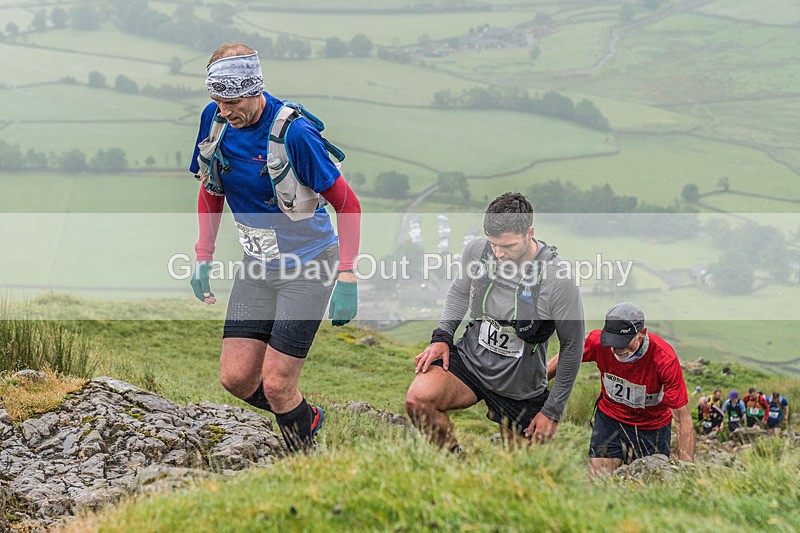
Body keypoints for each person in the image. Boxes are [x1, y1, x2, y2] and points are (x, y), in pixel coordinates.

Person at [188, 43, 361, 453]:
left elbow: (348, 205)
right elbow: (211, 188)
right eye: (218, 101)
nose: (225, 111)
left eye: (233, 102)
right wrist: (203, 255)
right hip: (258, 264)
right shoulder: (215, 120)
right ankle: (306, 416)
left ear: (255, 89)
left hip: (310, 266)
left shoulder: (295, 134)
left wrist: (348, 274)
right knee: (236, 378)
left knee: (278, 384)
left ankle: (306, 462)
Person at [405, 192, 585, 452]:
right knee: (417, 400)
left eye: (508, 246)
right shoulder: (478, 251)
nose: (499, 253)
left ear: (529, 233)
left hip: (520, 385)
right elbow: (459, 291)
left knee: (517, 470)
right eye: (493, 244)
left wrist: (552, 411)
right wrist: (442, 337)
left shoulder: (558, 280)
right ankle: (456, 466)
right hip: (471, 360)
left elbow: (572, 346)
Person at [549, 302, 694, 476]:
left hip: (652, 429)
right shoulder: (597, 342)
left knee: (648, 484)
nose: (617, 349)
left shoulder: (664, 359)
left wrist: (686, 469)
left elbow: (682, 418)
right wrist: (536, 385)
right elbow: (567, 357)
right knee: (599, 479)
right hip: (610, 420)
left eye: (623, 343)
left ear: (642, 334)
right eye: (612, 342)